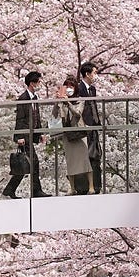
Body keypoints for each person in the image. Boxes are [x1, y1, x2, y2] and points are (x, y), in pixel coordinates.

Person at [7, 71, 51, 199]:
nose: (40, 84)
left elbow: (37, 117)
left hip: (32, 134)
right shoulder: (23, 98)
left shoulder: (34, 98)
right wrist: (19, 137)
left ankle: (10, 189)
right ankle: (36, 191)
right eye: (38, 82)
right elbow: (20, 118)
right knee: (33, 162)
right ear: (32, 83)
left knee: (26, 163)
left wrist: (40, 133)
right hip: (24, 135)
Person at [52, 76, 95, 195]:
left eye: (71, 86)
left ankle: (91, 186)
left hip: (79, 132)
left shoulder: (80, 100)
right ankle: (72, 187)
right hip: (67, 133)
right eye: (67, 87)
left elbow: (78, 114)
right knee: (70, 160)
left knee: (85, 159)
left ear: (75, 88)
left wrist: (68, 103)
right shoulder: (62, 102)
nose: (69, 89)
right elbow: (55, 115)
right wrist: (57, 102)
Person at [78, 61, 102, 194]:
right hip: (84, 127)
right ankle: (84, 186)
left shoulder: (92, 89)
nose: (95, 75)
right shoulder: (79, 88)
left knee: (95, 155)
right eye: (94, 73)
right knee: (85, 155)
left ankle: (96, 185)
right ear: (87, 74)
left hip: (93, 125)